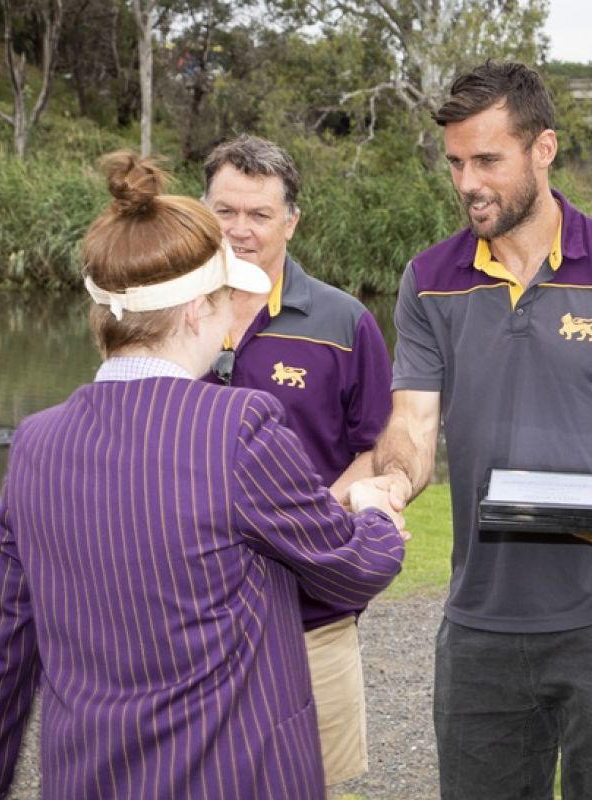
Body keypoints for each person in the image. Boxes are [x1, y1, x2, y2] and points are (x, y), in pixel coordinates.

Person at [0, 152, 407, 800]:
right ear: (196, 313)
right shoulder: (241, 426)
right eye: (224, 297)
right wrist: (374, 512)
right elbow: (353, 564)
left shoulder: (37, 443)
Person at [355, 62, 592, 799]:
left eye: (488, 160)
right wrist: (394, 481)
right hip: (481, 624)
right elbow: (412, 420)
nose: (468, 182)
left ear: (543, 149)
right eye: (457, 162)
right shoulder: (429, 279)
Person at [201, 134, 393, 787]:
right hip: (192, 616)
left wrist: (305, 522)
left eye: (259, 215)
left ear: (292, 221)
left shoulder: (345, 322)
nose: (240, 231)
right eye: (226, 211)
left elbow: (378, 447)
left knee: (310, 782)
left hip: (312, 615)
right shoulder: (169, 314)